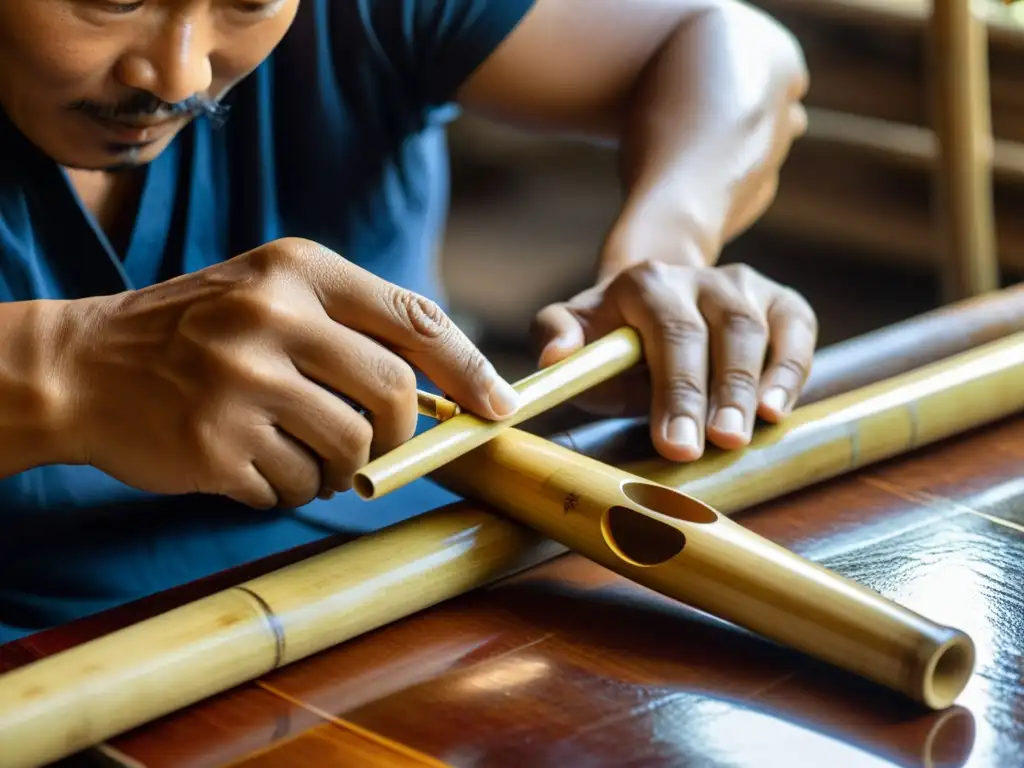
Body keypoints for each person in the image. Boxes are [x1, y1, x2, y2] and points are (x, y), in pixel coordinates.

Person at [0, 0, 816, 641]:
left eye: (248, 1)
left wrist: (662, 252)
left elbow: (728, 40)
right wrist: (62, 366)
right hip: (63, 677)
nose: (178, 72)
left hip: (445, 587)